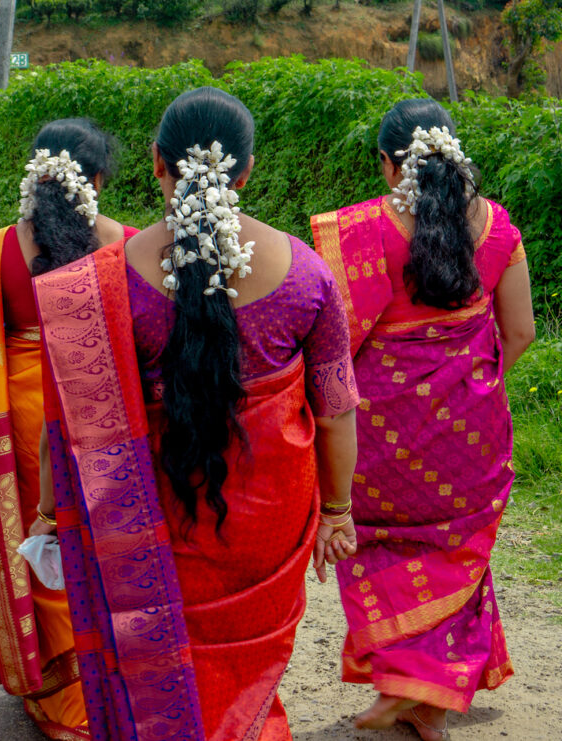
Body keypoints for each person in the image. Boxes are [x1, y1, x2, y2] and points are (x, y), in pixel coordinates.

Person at [33, 88, 360, 740]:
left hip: (148, 522)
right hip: (266, 526)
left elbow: (64, 424)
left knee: (153, 670)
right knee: (246, 676)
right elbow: (335, 409)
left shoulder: (101, 280)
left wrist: (49, 513)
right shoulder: (307, 274)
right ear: (247, 171)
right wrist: (338, 510)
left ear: (157, 161)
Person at [310, 98, 535, 740]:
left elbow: (329, 347)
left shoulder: (356, 232)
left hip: (377, 434)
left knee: (380, 545)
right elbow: (518, 332)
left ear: (388, 165)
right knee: (457, 550)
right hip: (472, 428)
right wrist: (467, 391)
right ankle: (428, 694)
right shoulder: (499, 229)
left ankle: (405, 684)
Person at [0, 118, 137, 739]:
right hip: (102, 408)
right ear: (97, 180)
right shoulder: (128, 245)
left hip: (15, 408)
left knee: (34, 539)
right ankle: (106, 687)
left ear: (33, 174)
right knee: (101, 542)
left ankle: (56, 690)